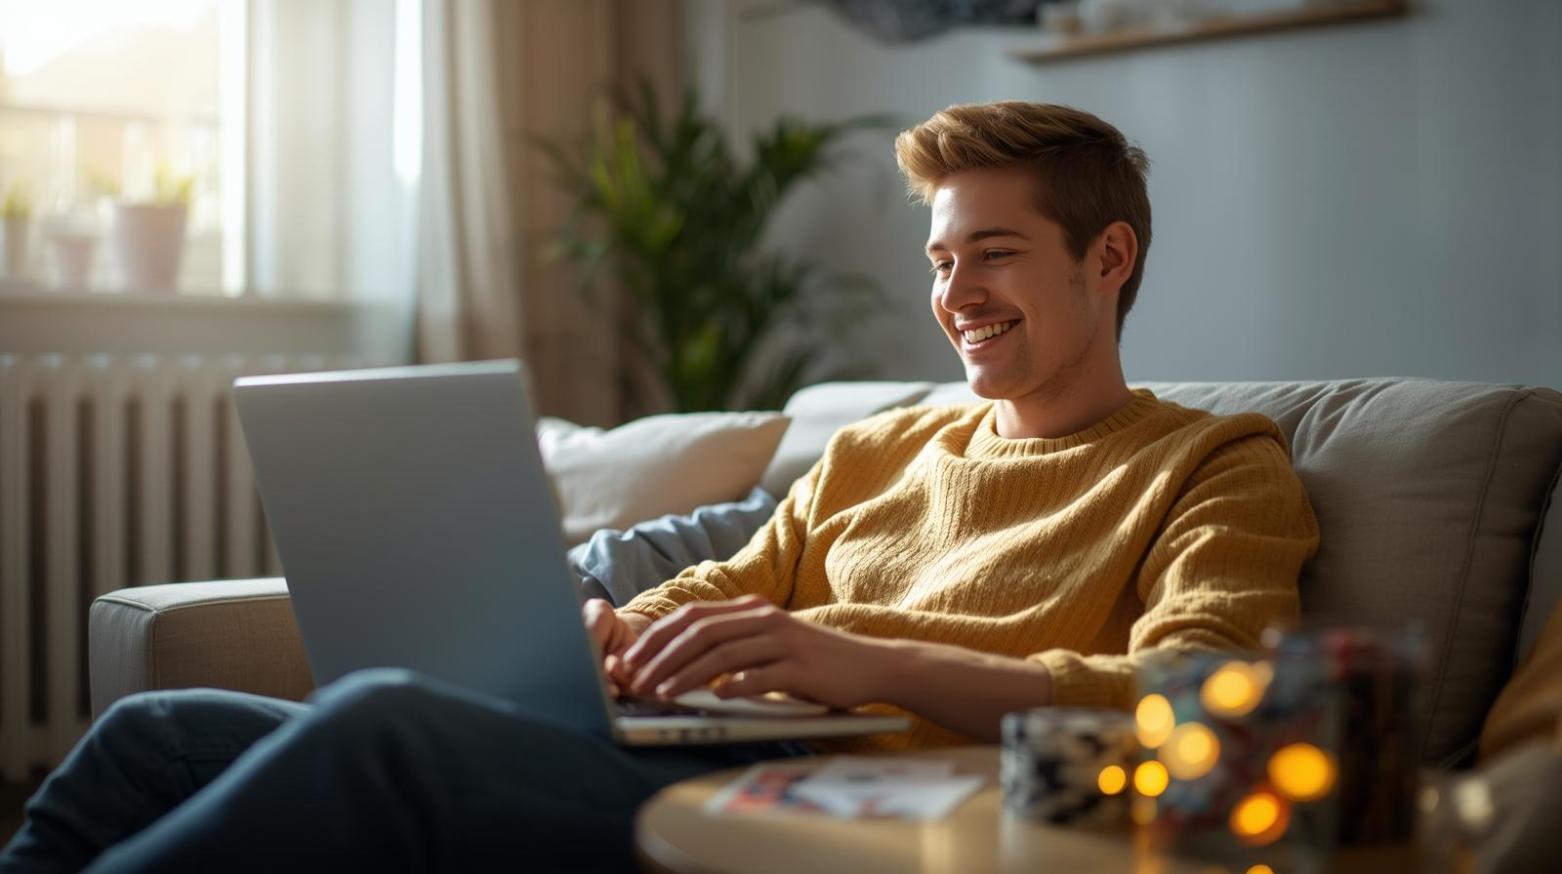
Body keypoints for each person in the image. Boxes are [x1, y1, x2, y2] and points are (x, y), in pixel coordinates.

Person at [0, 101, 1318, 872]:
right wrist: (616, 632)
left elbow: (1201, 696)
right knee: (154, 731)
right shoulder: (884, 449)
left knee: (382, 723)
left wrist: (866, 656)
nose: (954, 295)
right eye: (937, 259)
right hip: (698, 746)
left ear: (1108, 255)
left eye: (994, 253)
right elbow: (723, 585)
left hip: (847, 811)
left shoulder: (1212, 466)